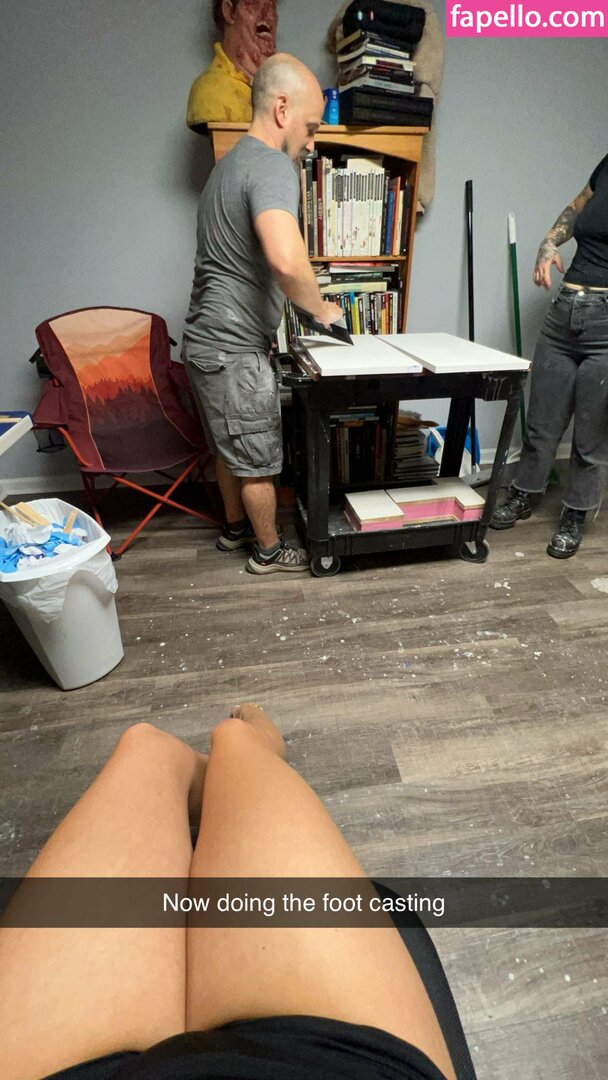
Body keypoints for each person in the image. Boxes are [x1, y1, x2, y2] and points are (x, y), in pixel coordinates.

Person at [0, 704, 457, 1080]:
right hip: (321, 1062)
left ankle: (219, 775)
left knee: (146, 747)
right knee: (230, 741)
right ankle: (239, 757)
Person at [182, 54, 343, 576]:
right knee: (256, 461)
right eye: (311, 128)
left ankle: (235, 530)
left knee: (229, 448)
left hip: (204, 345)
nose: (311, 143)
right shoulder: (272, 165)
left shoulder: (226, 167)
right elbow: (286, 259)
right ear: (281, 109)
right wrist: (321, 309)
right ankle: (269, 551)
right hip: (233, 352)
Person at [491, 153, 608, 558]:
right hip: (564, 312)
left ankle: (575, 513)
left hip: (606, 326)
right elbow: (577, 206)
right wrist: (547, 244)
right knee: (542, 421)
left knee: (592, 434)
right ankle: (524, 492)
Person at [187, 0, 279, 130]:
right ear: (229, 12)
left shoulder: (283, 93)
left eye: (272, 5)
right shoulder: (210, 91)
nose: (266, 15)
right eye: (253, 3)